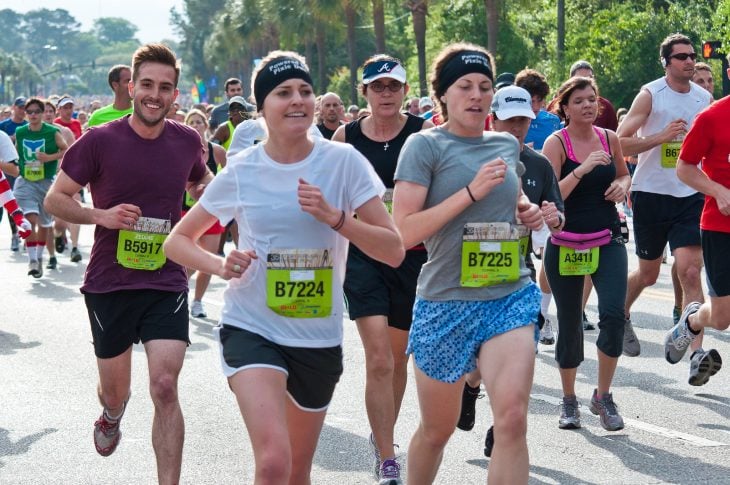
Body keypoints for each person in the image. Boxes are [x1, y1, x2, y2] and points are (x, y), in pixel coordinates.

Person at [163, 50, 404, 485]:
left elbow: (393, 249)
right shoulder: (243, 170)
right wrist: (221, 264)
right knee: (273, 462)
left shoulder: (343, 163)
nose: (298, 100)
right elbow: (177, 241)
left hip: (317, 336)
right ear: (261, 108)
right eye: (283, 92)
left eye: (305, 91)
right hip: (251, 326)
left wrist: (336, 219)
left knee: (296, 472)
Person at [44, 43, 212, 485]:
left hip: (166, 278)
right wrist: (101, 215)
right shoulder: (100, 140)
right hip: (110, 281)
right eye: (148, 85)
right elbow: (55, 198)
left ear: (176, 94)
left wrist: (211, 199)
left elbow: (201, 183)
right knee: (117, 391)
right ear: (131, 87)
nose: (156, 95)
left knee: (165, 386)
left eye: (166, 88)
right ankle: (112, 413)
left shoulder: (187, 140)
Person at [393, 42, 544, 484]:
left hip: (508, 294)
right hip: (446, 301)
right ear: (443, 94)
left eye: (484, 86)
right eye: (465, 86)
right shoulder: (424, 147)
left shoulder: (504, 144)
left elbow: (512, 199)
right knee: (437, 432)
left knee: (513, 418)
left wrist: (526, 210)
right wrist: (471, 192)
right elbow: (404, 231)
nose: (476, 96)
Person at [331, 54, 433, 484]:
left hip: (412, 255)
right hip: (362, 256)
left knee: (396, 355)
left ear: (405, 92)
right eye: (378, 86)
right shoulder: (345, 136)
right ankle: (388, 454)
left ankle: (382, 434)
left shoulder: (423, 133)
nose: (386, 93)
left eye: (394, 86)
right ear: (366, 92)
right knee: (377, 359)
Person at [460, 85, 565, 458]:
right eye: (510, 121)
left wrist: (554, 216)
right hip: (471, 276)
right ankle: (470, 389)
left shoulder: (538, 164)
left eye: (523, 121)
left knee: (519, 358)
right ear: (493, 119)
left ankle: (500, 424)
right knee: (479, 358)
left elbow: (556, 213)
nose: (517, 128)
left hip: (518, 277)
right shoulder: (467, 158)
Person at [542, 76, 631, 432]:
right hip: (566, 242)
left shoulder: (610, 138)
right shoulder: (556, 143)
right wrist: (583, 168)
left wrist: (621, 187)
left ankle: (603, 396)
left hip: (606, 238)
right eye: (579, 100)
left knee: (612, 315)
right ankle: (568, 399)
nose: (588, 105)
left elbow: (625, 175)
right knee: (570, 320)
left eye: (592, 99)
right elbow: (550, 196)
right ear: (564, 107)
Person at [617, 33, 712, 359]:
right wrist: (662, 136)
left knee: (689, 271)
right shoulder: (650, 95)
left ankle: (695, 350)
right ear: (666, 62)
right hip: (651, 193)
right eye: (682, 57)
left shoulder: (703, 98)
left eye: (691, 56)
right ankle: (620, 315)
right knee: (648, 273)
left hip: (690, 193)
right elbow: (620, 142)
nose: (689, 61)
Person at [663, 58, 730, 386]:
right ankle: (691, 320)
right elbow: (684, 167)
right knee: (721, 317)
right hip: (721, 227)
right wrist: (717, 191)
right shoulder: (712, 117)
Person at [14, 98, 69, 278]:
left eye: (37, 111)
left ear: (42, 112)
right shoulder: (20, 132)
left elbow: (66, 150)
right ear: (25, 113)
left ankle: (39, 258)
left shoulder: (52, 131)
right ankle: (32, 261)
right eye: (29, 112)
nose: (33, 115)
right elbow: (17, 153)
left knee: (45, 224)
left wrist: (49, 157)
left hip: (46, 182)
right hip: (26, 182)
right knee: (29, 221)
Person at [183, 108, 227, 318]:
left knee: (208, 260)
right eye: (191, 122)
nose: (196, 125)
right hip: (186, 211)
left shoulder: (217, 151)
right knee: (185, 258)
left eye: (199, 121)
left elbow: (229, 178)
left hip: (211, 212)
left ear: (206, 125)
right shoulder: (179, 150)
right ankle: (176, 291)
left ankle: (197, 301)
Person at [515, 69, 561, 151]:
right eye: (531, 101)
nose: (536, 107)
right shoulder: (507, 123)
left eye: (539, 100)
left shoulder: (553, 122)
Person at [569, 60, 618, 131]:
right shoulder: (559, 105)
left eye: (589, 78)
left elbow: (615, 136)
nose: (585, 83)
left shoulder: (606, 106)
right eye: (580, 79)